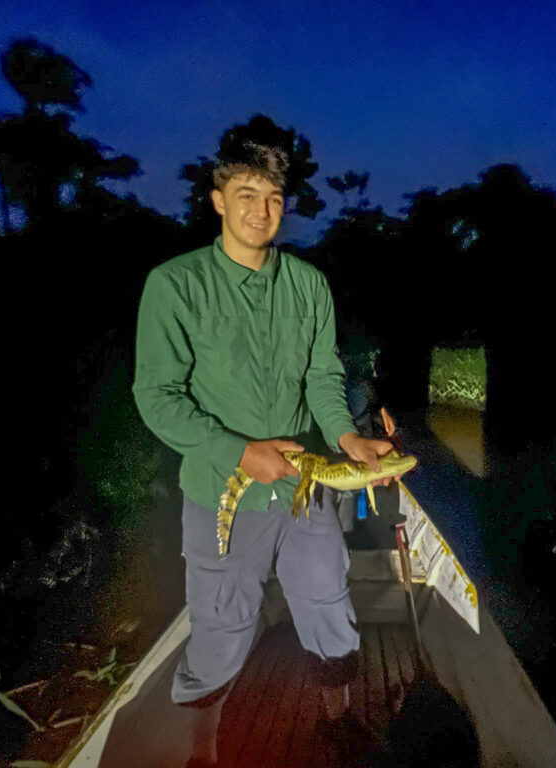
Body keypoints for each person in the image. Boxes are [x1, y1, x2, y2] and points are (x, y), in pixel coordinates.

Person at [132, 139, 402, 765]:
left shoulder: (308, 284)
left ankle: (337, 720)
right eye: (247, 195)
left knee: (328, 604)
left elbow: (322, 380)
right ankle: (203, 749)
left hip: (304, 491)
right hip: (220, 493)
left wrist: (347, 438)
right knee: (222, 624)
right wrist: (236, 450)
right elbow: (158, 396)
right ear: (218, 200)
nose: (262, 210)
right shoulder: (174, 285)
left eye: (274, 198)